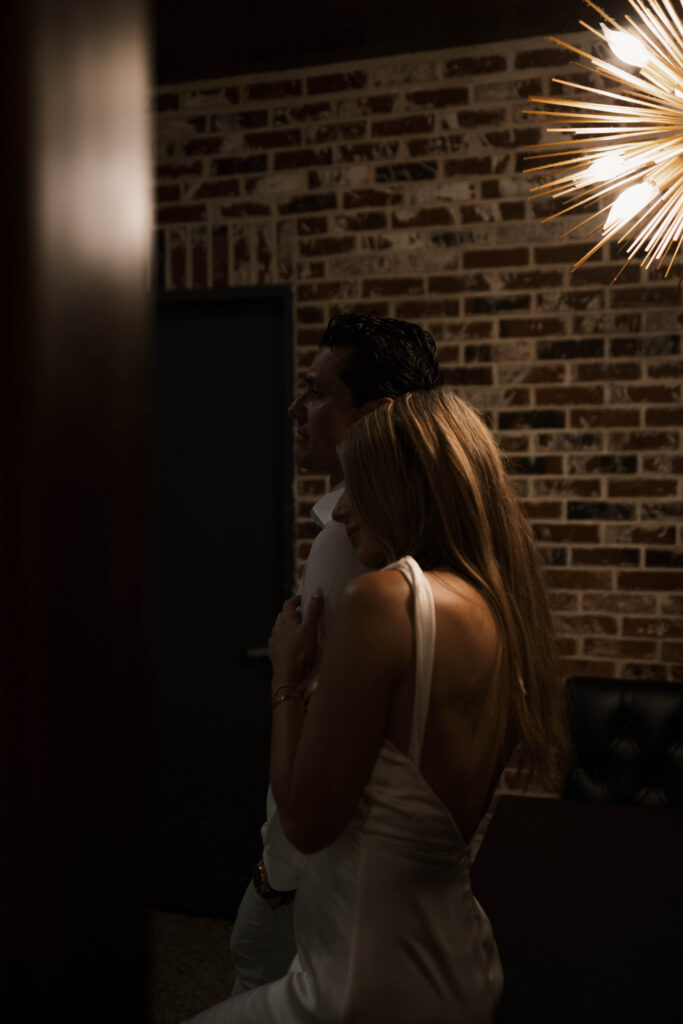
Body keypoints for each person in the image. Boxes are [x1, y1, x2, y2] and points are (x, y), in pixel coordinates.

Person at [185, 387, 569, 1023]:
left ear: (404, 487)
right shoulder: (501, 611)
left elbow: (306, 823)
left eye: (357, 486)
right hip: (458, 962)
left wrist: (285, 676)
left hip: (364, 986)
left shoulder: (383, 602)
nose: (340, 515)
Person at [229, 314, 442, 995]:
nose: (296, 408)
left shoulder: (351, 547)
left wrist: (276, 875)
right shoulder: (415, 530)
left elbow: (327, 729)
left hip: (313, 868)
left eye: (316, 392)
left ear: (373, 414)